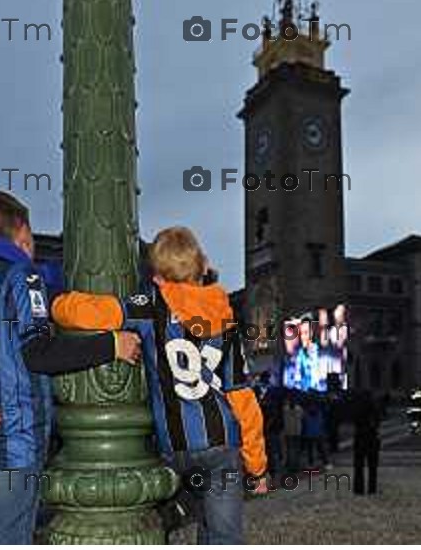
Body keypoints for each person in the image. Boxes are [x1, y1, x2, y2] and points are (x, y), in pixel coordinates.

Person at [51, 226, 268, 544]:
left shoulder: (150, 306)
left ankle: (176, 513)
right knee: (222, 534)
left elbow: (92, 312)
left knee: (175, 513)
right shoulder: (225, 315)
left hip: (174, 447)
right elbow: (242, 398)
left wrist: (58, 305)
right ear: (204, 267)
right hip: (222, 444)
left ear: (157, 277)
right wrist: (258, 468)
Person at [0, 191, 141, 545]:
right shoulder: (21, 277)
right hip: (16, 438)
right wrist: (111, 344)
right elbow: (38, 352)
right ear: (22, 231)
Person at [352, 390, 380, 495]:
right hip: (372, 438)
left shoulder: (357, 409)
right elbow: (378, 422)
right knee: (372, 467)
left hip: (360, 438)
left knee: (358, 466)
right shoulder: (374, 409)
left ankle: (359, 488)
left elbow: (354, 422)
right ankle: (372, 488)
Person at [282, 396, 303, 473]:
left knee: (290, 449)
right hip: (297, 431)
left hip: (288, 431)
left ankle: (291, 466)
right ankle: (297, 465)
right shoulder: (299, 409)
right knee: (297, 449)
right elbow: (302, 418)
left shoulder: (285, 409)